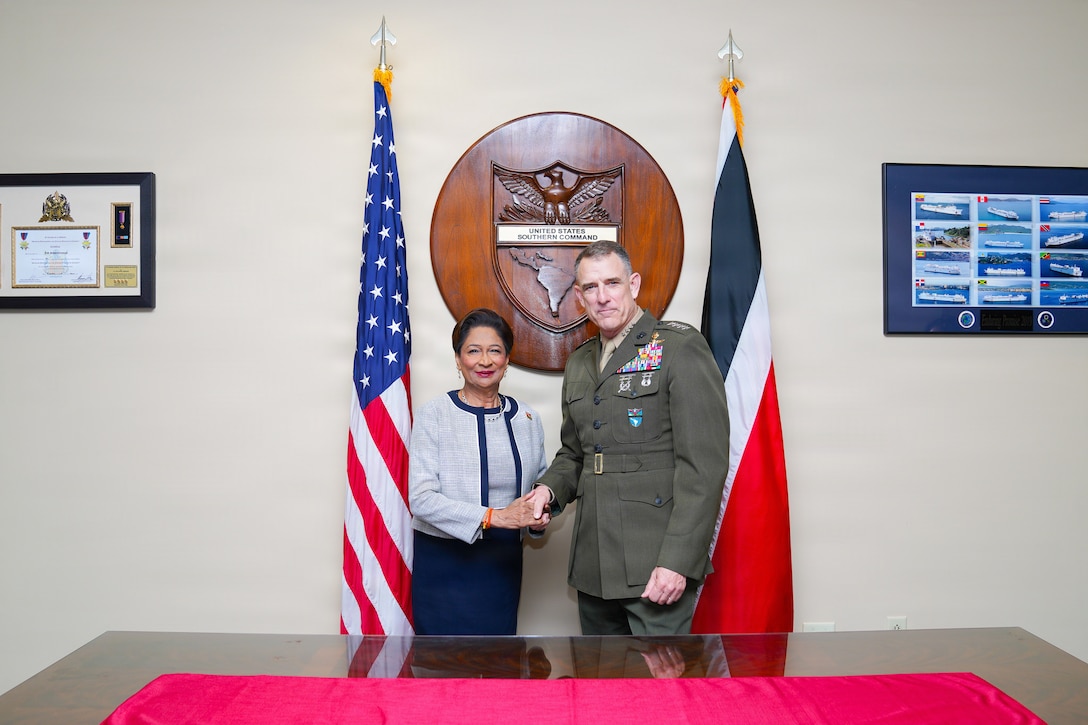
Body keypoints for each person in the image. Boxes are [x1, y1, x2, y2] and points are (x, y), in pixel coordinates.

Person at [527, 240, 730, 636]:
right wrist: (547, 491)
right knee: (601, 689)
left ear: (633, 284)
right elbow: (575, 453)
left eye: (612, 283)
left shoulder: (678, 348)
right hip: (594, 563)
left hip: (654, 563)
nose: (602, 298)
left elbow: (704, 468)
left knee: (658, 687)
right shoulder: (580, 361)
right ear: (580, 297)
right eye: (590, 288)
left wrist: (678, 560)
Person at [409, 308, 549, 635]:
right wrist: (495, 517)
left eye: (495, 350)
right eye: (473, 351)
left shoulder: (527, 419)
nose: (484, 361)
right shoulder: (434, 415)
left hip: (502, 565)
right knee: (441, 672)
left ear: (507, 359)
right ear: (458, 360)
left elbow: (540, 486)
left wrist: (540, 517)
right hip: (443, 564)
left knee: (498, 666)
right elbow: (422, 500)